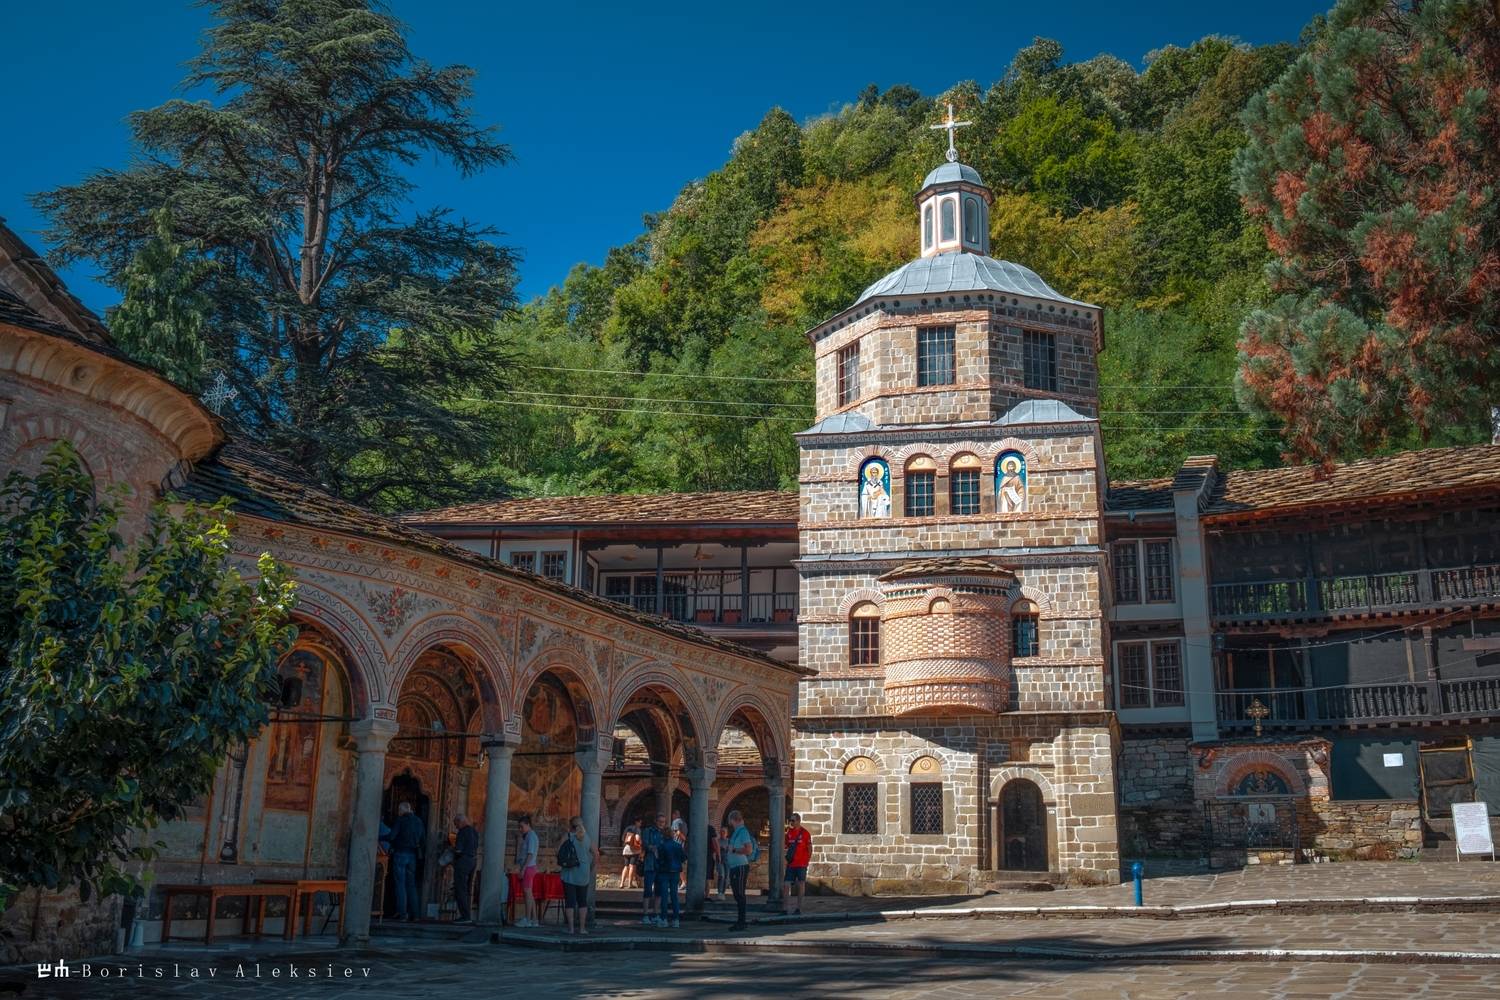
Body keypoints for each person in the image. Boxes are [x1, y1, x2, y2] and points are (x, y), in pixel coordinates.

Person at [560, 815, 598, 935]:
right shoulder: (587, 838)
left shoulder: (568, 836)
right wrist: (591, 867)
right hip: (584, 872)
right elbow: (596, 854)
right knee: (582, 901)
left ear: (571, 826)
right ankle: (582, 928)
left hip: (570, 872)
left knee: (570, 902)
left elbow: (558, 849)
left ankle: (571, 929)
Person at [389, 801, 424, 922]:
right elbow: (422, 838)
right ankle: (416, 915)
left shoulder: (401, 820)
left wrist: (383, 837)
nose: (398, 813)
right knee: (411, 885)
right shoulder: (418, 821)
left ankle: (403, 914)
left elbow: (392, 836)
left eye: (399, 810)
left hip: (400, 854)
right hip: (412, 856)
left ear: (402, 810)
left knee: (400, 884)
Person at [725, 809, 755, 931]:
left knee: (740, 894)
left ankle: (741, 921)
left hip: (740, 866)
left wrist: (733, 851)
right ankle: (740, 921)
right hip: (734, 867)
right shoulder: (737, 832)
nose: (730, 824)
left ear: (733, 820)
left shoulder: (743, 832)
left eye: (731, 821)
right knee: (737, 894)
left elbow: (749, 850)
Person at [451, 814, 479, 923]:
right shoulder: (474, 831)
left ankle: (465, 916)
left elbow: (458, 850)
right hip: (473, 861)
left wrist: (451, 849)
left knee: (460, 889)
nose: (456, 827)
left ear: (460, 821)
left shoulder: (462, 832)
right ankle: (467, 915)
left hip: (463, 862)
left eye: (456, 824)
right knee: (467, 889)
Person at [782, 812, 811, 916]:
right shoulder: (789, 833)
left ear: (798, 821)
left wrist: (807, 861)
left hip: (801, 864)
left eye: (793, 820)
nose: (791, 822)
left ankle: (798, 908)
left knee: (801, 885)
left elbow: (809, 848)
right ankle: (785, 908)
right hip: (791, 864)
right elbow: (786, 846)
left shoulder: (805, 833)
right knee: (786, 885)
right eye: (790, 820)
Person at [639, 813, 665, 925]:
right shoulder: (648, 831)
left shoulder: (664, 833)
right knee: (648, 890)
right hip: (649, 864)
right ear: (655, 821)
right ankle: (645, 915)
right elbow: (644, 843)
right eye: (660, 821)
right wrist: (651, 847)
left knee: (659, 891)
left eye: (663, 822)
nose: (661, 824)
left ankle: (656, 914)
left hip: (660, 866)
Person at [514, 814, 540, 928]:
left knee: (527, 894)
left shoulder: (531, 836)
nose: (520, 829)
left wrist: (523, 869)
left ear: (528, 825)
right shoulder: (527, 836)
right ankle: (534, 920)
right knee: (529, 894)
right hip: (528, 867)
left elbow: (530, 854)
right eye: (519, 827)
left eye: (521, 826)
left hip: (529, 868)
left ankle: (528, 919)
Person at [658, 824, 685, 928]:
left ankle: (664, 919)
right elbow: (683, 858)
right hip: (675, 872)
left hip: (664, 871)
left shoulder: (662, 846)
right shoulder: (678, 846)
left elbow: (659, 859)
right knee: (674, 896)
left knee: (664, 896)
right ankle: (676, 920)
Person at [619, 822, 639, 889]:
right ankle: (629, 884)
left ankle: (622, 883)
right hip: (634, 850)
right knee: (631, 866)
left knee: (626, 866)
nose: (640, 824)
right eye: (640, 822)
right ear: (637, 822)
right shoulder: (637, 829)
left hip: (626, 849)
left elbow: (623, 838)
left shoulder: (627, 828)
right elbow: (637, 839)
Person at [714, 825, 730, 901]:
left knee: (727, 878)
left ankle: (723, 892)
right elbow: (715, 850)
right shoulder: (717, 840)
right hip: (719, 860)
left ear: (727, 833)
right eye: (721, 832)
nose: (722, 833)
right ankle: (719, 892)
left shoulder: (729, 841)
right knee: (722, 875)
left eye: (724, 832)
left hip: (727, 860)